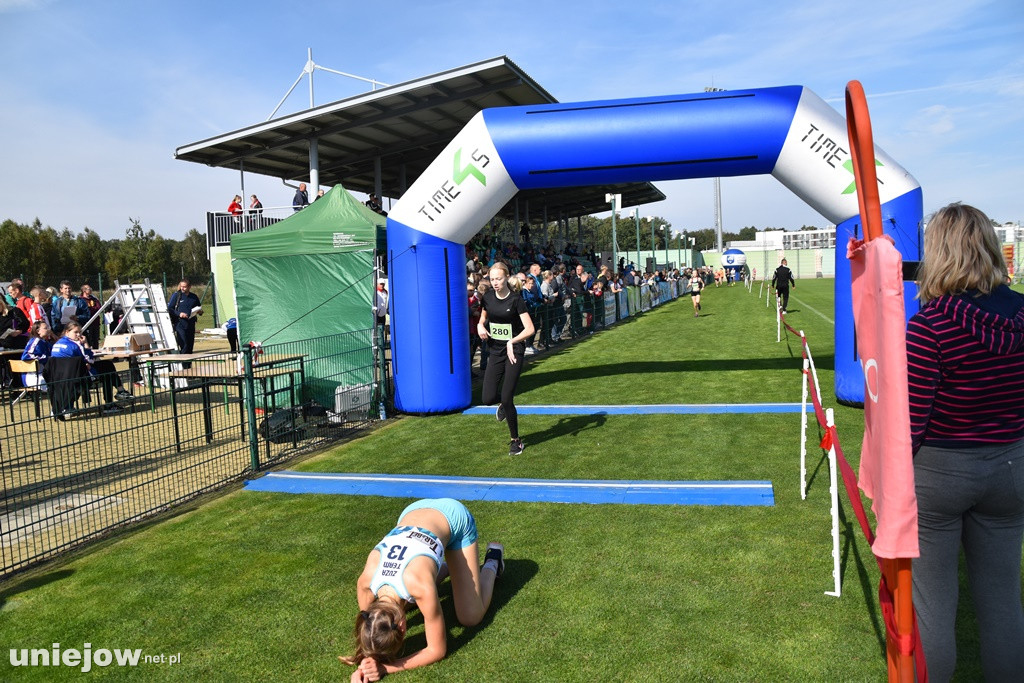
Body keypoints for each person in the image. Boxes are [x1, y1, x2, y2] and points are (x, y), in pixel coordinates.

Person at [905, 202, 1024, 681]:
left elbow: (911, 422)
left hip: (941, 474)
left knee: (934, 607)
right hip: (1011, 470)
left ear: (939, 254)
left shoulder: (930, 326)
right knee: (1002, 601)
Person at [343, 498, 504, 681]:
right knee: (417, 593)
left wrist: (385, 668)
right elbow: (371, 632)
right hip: (412, 512)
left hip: (453, 517)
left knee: (470, 617)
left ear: (403, 627)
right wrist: (366, 664)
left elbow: (437, 650)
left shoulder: (419, 588)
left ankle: (493, 562)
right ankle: (452, 568)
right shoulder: (365, 583)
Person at [478, 262, 534, 456]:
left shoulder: (516, 300)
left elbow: (530, 329)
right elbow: (483, 317)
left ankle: (516, 441)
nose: (495, 282)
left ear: (506, 278)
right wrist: (479, 326)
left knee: (507, 396)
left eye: (498, 279)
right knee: (487, 398)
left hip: (514, 350)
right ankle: (502, 405)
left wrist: (513, 341)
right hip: (495, 351)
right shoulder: (487, 298)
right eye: (492, 279)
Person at [51, 322, 132, 414]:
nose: (78, 335)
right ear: (67, 332)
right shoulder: (74, 345)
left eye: (80, 332)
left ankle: (119, 392)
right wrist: (86, 343)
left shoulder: (56, 344)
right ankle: (113, 399)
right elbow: (90, 359)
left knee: (106, 367)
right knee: (108, 369)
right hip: (80, 377)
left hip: (61, 376)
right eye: (76, 332)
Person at [167, 279, 202, 353]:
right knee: (184, 344)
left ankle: (188, 364)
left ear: (189, 287)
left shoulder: (194, 297)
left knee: (190, 345)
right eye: (181, 286)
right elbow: (170, 309)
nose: (182, 288)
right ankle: (183, 363)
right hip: (180, 323)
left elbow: (199, 307)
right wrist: (179, 314)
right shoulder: (177, 295)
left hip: (191, 323)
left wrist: (199, 312)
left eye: (184, 287)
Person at [20, 320, 52, 389]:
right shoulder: (36, 341)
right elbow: (26, 355)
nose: (48, 330)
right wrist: (44, 358)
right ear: (38, 331)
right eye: (45, 328)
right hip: (32, 376)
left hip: (42, 374)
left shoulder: (46, 343)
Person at [80, 284, 102, 348]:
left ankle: (96, 355)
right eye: (88, 288)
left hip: (95, 322)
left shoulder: (94, 299)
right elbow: (86, 310)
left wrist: (92, 309)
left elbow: (98, 307)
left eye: (90, 288)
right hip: (86, 323)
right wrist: (91, 310)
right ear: (84, 290)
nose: (90, 290)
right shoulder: (81, 300)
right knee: (88, 339)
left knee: (96, 339)